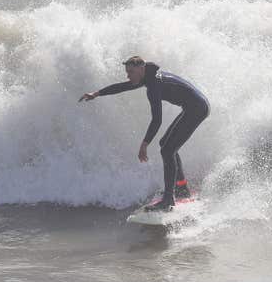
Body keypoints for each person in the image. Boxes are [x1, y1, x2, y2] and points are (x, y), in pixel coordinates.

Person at [79, 56, 210, 211]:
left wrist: (144, 144)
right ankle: (180, 187)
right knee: (166, 146)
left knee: (167, 150)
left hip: (197, 109)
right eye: (127, 72)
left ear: (141, 68)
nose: (128, 75)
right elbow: (123, 86)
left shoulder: (154, 85)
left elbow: (157, 120)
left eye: (131, 72)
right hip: (193, 107)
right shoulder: (148, 77)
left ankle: (168, 200)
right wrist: (97, 93)